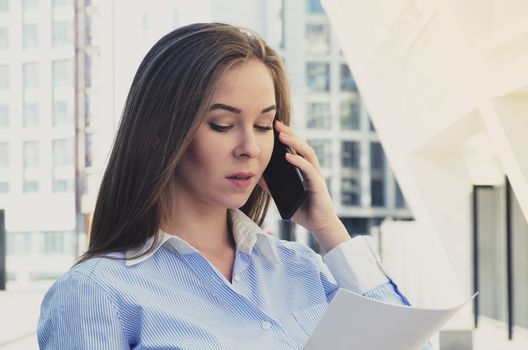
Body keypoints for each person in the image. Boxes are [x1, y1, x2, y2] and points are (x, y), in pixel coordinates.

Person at [37, 23, 431, 349]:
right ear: (160, 133)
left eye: (263, 126)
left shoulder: (302, 268)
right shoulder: (96, 293)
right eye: (222, 125)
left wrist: (331, 231)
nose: (250, 148)